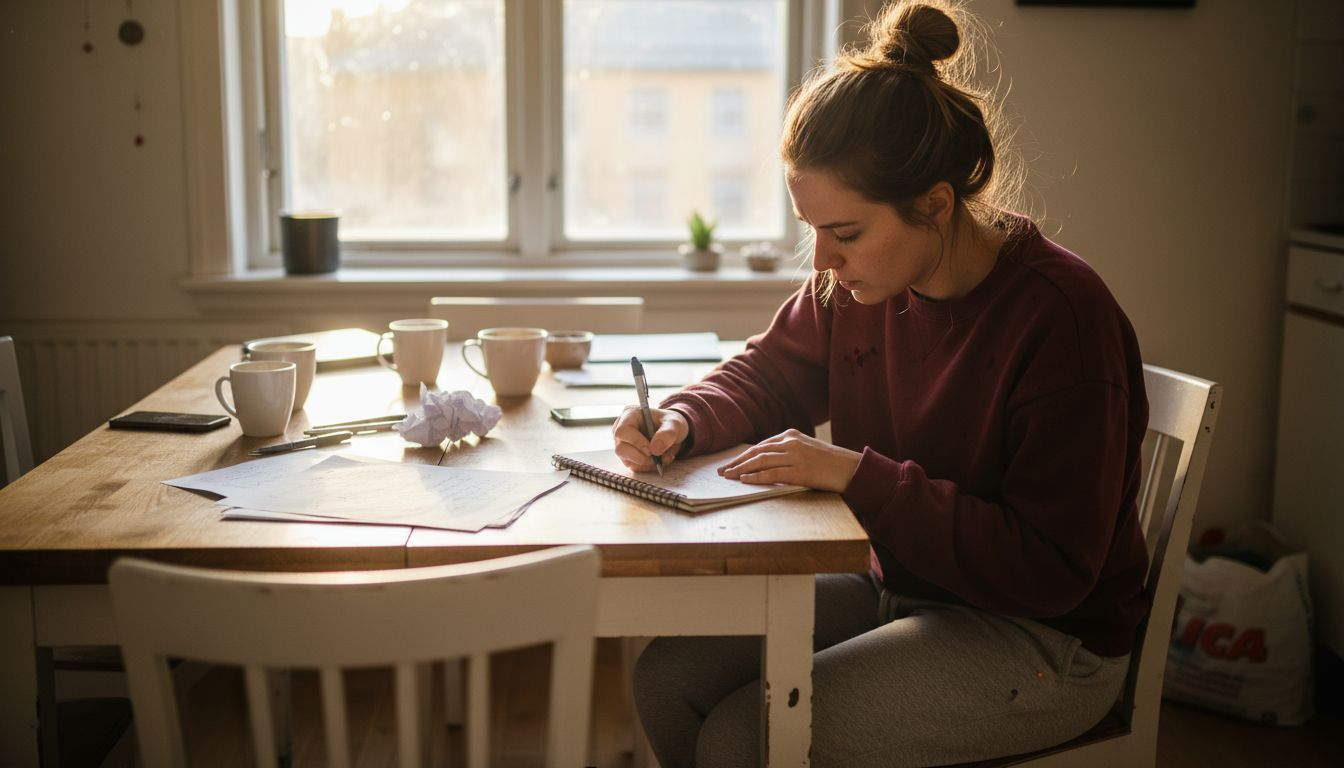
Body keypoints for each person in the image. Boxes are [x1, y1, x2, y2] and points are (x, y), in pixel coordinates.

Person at [609, 1, 1150, 766]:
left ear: (934, 205)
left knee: (743, 740)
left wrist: (859, 478)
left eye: (846, 232)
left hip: (1045, 640)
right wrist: (683, 419)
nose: (822, 261)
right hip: (908, 589)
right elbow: (768, 372)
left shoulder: (1060, 318)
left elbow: (1051, 568)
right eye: (813, 230)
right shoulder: (857, 286)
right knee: (670, 678)